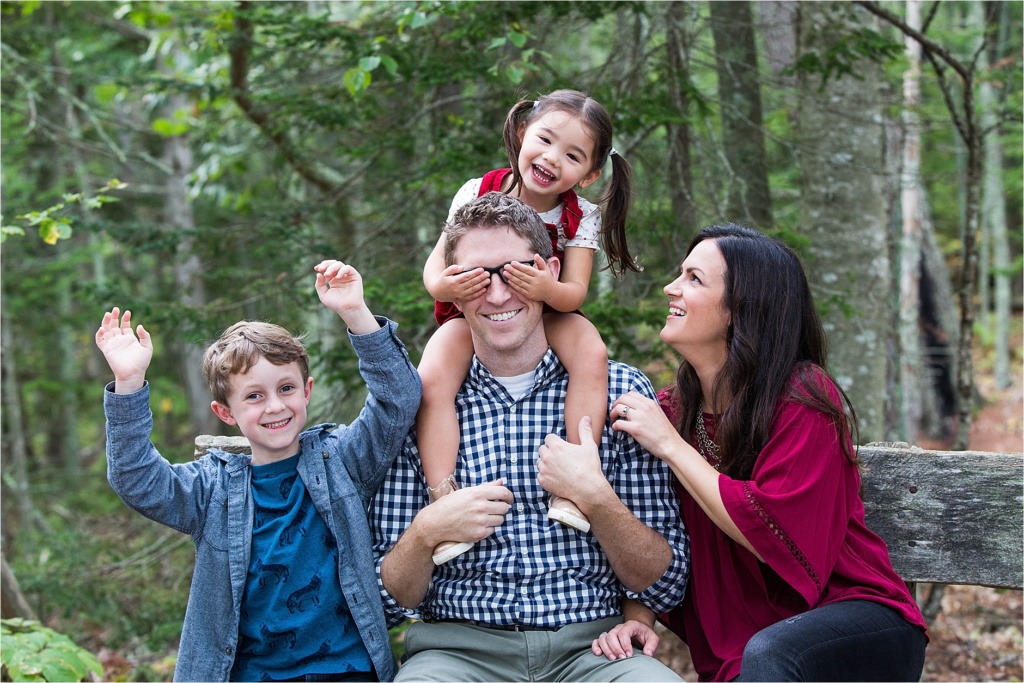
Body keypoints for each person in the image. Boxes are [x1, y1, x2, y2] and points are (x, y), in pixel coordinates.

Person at [370, 191, 690, 682]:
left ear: (549, 269)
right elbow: (385, 600)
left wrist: (596, 497)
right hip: (457, 656)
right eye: (476, 278)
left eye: (515, 272)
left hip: (594, 651)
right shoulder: (418, 405)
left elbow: (666, 585)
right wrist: (427, 531)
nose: (497, 295)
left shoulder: (619, 391)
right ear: (451, 289)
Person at [592, 224, 929, 682]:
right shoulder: (673, 411)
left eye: (694, 279)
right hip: (754, 649)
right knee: (762, 655)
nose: (671, 288)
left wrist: (671, 446)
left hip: (856, 623)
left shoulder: (803, 397)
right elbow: (650, 523)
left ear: (741, 310)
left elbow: (776, 532)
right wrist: (640, 617)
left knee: (770, 653)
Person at [96, 260, 421, 682]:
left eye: (286, 389)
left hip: (348, 670)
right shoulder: (210, 489)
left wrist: (355, 313)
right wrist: (129, 382)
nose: (274, 406)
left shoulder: (341, 460)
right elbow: (136, 478)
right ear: (225, 413)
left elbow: (399, 397)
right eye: (253, 396)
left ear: (306, 391)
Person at [417, 89, 639, 563]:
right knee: (434, 377)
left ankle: (577, 481)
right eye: (545, 140)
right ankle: (444, 494)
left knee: (591, 354)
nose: (552, 158)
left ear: (591, 173)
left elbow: (574, 292)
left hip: (549, 311)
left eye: (573, 155)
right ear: (522, 133)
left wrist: (543, 287)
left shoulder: (581, 217)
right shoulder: (477, 191)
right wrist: (455, 285)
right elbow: (433, 276)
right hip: (473, 310)